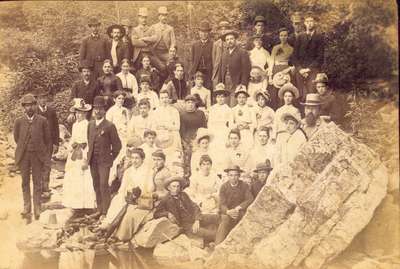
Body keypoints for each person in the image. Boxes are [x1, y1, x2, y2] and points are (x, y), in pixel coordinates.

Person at [98, 148, 152, 241]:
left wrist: (138, 193)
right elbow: (123, 187)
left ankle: (110, 227)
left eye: (137, 158)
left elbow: (150, 187)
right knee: (117, 199)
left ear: (142, 159)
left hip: (142, 195)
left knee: (126, 205)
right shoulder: (128, 171)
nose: (134, 161)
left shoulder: (147, 170)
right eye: (132, 158)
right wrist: (123, 194)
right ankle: (108, 222)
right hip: (129, 194)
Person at [14, 94, 51, 223]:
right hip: (24, 156)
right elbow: (16, 138)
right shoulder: (19, 121)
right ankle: (27, 207)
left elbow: (47, 140)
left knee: (37, 182)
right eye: (26, 105)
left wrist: (44, 155)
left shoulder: (42, 121)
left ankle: (37, 207)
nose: (29, 108)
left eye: (31, 105)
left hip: (37, 155)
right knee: (24, 182)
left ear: (35, 106)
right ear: (23, 107)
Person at [87, 96, 122, 218]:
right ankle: (99, 209)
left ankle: (106, 212)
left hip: (104, 162)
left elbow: (118, 146)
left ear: (104, 110)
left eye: (100, 109)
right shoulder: (90, 125)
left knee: (103, 184)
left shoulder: (110, 126)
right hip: (93, 161)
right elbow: (89, 141)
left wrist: (110, 158)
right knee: (96, 184)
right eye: (95, 108)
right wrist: (89, 157)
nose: (97, 111)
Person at [154, 177, 218, 242]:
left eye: (178, 186)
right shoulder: (165, 200)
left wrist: (197, 220)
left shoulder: (183, 195)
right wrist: (167, 213)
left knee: (217, 217)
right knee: (210, 234)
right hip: (186, 225)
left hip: (195, 218)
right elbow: (156, 214)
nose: (176, 189)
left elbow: (194, 206)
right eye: (173, 186)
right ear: (169, 188)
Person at [62, 99, 96, 212]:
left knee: (84, 176)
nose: (78, 115)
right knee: (73, 176)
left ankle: (86, 204)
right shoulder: (75, 125)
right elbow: (73, 138)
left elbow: (89, 141)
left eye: (81, 113)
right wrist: (70, 147)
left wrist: (86, 156)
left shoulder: (88, 124)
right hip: (75, 152)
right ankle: (75, 203)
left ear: (85, 113)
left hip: (83, 151)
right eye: (76, 113)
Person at [216, 165, 253, 244]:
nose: (233, 177)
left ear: (239, 176)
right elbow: (221, 204)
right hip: (228, 213)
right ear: (228, 176)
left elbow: (250, 199)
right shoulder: (224, 187)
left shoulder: (244, 185)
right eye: (231, 175)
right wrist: (228, 211)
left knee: (245, 218)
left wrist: (238, 208)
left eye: (236, 175)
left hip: (239, 212)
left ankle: (245, 244)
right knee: (225, 219)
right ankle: (218, 245)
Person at [292, 12, 325, 101]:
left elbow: (320, 57)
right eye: (307, 21)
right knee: (299, 93)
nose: (309, 23)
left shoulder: (319, 37)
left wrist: (308, 69)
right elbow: (294, 57)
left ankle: (311, 114)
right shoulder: (300, 37)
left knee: (312, 93)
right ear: (304, 23)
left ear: (315, 23)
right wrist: (300, 69)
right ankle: (300, 113)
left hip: (313, 70)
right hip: (300, 70)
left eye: (311, 21)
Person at [35, 90, 59, 200]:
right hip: (38, 144)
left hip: (49, 143)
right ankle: (39, 188)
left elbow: (56, 127)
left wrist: (56, 143)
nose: (43, 100)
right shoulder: (34, 112)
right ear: (37, 100)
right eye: (41, 98)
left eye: (44, 98)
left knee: (47, 166)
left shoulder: (51, 111)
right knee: (38, 165)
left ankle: (46, 188)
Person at [219, 30, 251, 107]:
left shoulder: (242, 52)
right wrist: (221, 82)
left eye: (231, 39)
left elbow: (246, 70)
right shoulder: (224, 53)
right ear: (225, 42)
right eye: (227, 39)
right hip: (225, 83)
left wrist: (243, 84)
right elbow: (221, 69)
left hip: (237, 83)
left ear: (235, 40)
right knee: (225, 105)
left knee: (234, 105)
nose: (229, 41)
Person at [145, 6, 177, 75]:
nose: (164, 17)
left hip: (166, 52)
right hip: (155, 52)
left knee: (171, 64)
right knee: (160, 66)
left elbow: (173, 41)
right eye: (162, 15)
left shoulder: (170, 28)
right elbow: (146, 36)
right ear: (159, 16)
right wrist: (148, 40)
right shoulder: (154, 27)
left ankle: (170, 79)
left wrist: (172, 49)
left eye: (165, 15)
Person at [179, 95, 207, 171]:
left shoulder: (200, 114)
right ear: (185, 103)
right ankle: (188, 173)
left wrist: (199, 139)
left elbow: (204, 128)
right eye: (188, 102)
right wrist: (187, 142)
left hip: (199, 139)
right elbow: (182, 131)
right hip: (187, 141)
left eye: (192, 102)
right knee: (188, 156)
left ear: (195, 103)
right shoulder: (182, 115)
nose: (190, 104)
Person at [269, 27, 294, 109]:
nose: (283, 37)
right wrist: (270, 76)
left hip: (286, 71)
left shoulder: (291, 49)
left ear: (288, 36)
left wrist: (289, 68)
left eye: (285, 35)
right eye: (281, 35)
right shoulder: (275, 48)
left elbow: (294, 63)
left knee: (284, 91)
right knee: (274, 93)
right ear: (279, 37)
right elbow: (271, 61)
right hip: (276, 70)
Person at [152, 89, 182, 155]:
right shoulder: (155, 112)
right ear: (159, 99)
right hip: (159, 134)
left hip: (172, 133)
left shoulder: (174, 111)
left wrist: (167, 127)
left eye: (166, 97)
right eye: (162, 98)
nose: (164, 100)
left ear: (169, 98)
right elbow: (154, 126)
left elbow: (177, 127)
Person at [190, 20, 214, 91]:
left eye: (206, 32)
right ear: (199, 32)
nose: (204, 34)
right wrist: (192, 74)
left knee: (208, 91)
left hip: (209, 73)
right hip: (197, 72)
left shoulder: (213, 44)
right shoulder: (195, 45)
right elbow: (192, 61)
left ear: (208, 33)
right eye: (202, 32)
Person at [208, 84, 233, 150]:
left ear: (225, 98)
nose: (220, 99)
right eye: (218, 97)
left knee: (223, 148)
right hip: (213, 131)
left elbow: (231, 124)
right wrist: (210, 134)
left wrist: (229, 137)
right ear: (216, 98)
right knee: (214, 148)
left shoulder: (228, 109)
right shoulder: (212, 108)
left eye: (222, 97)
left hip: (223, 131)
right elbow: (209, 123)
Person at [212, 20, 230, 88]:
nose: (223, 31)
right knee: (216, 87)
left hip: (227, 70)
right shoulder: (216, 44)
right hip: (217, 69)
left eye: (225, 29)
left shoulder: (230, 42)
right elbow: (214, 59)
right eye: (222, 29)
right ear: (219, 31)